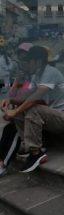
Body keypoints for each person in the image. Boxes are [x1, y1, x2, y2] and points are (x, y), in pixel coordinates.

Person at [2, 45, 64, 173]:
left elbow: (37, 96)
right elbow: (27, 95)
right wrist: (10, 100)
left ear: (37, 61)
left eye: (28, 61)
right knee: (20, 112)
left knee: (32, 108)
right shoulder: (38, 76)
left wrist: (15, 110)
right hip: (53, 118)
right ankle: (28, 147)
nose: (26, 64)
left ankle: (36, 152)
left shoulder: (50, 72)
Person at [0, 43, 34, 177]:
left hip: (35, 120)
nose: (22, 63)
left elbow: (31, 102)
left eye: (26, 59)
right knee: (8, 128)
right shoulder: (22, 78)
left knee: (14, 131)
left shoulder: (37, 77)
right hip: (22, 118)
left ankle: (2, 164)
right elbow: (10, 97)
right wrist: (16, 83)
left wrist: (14, 113)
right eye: (21, 59)